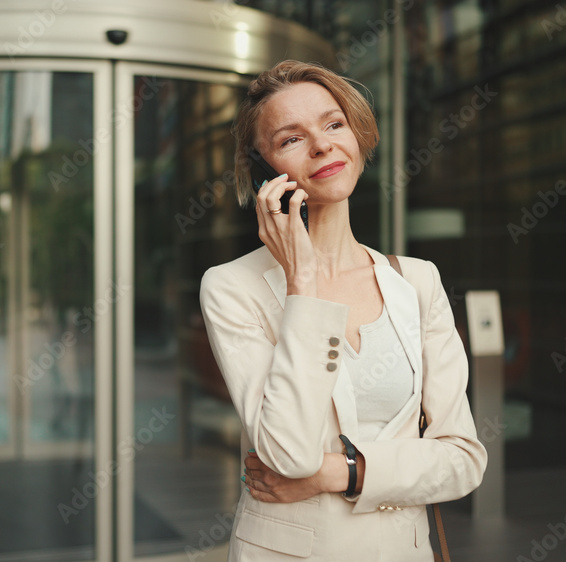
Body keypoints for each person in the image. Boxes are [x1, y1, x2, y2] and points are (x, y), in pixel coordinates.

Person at [199, 60, 487, 560]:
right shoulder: (230, 288)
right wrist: (302, 285)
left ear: (356, 134)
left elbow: (462, 460)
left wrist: (341, 472)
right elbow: (287, 454)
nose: (322, 145)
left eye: (334, 124)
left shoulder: (417, 280)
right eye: (291, 139)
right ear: (264, 164)